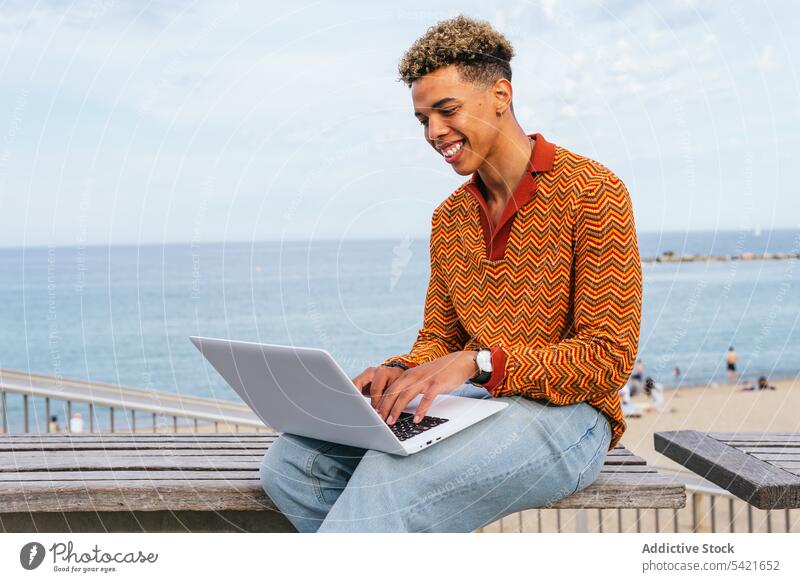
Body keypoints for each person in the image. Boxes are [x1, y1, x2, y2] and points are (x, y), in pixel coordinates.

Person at [260, 14, 642, 533]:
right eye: (422, 119)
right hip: (478, 405)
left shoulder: (593, 192)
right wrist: (397, 372)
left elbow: (607, 360)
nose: (434, 132)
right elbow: (438, 341)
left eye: (447, 110)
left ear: (501, 95)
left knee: (390, 476)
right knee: (292, 466)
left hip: (572, 420)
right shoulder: (450, 218)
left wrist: (479, 363)